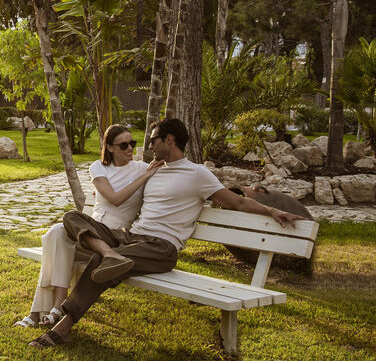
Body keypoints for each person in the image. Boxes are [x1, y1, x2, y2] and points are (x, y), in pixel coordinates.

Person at [30, 117, 306, 349]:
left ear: (170, 140)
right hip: (131, 237)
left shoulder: (197, 173)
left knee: (104, 263)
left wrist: (271, 210)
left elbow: (235, 201)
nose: (148, 145)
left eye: (153, 140)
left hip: (161, 247)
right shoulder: (155, 170)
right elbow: (119, 190)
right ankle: (109, 253)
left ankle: (64, 326)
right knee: (71, 217)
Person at [15, 124, 161, 328]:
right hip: (88, 232)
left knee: (55, 242)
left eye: (132, 143)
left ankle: (43, 311)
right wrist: (143, 178)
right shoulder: (98, 167)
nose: (130, 148)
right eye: (124, 145)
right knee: (55, 234)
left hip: (114, 239)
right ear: (109, 147)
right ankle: (55, 306)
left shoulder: (141, 169)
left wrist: (145, 175)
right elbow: (114, 198)